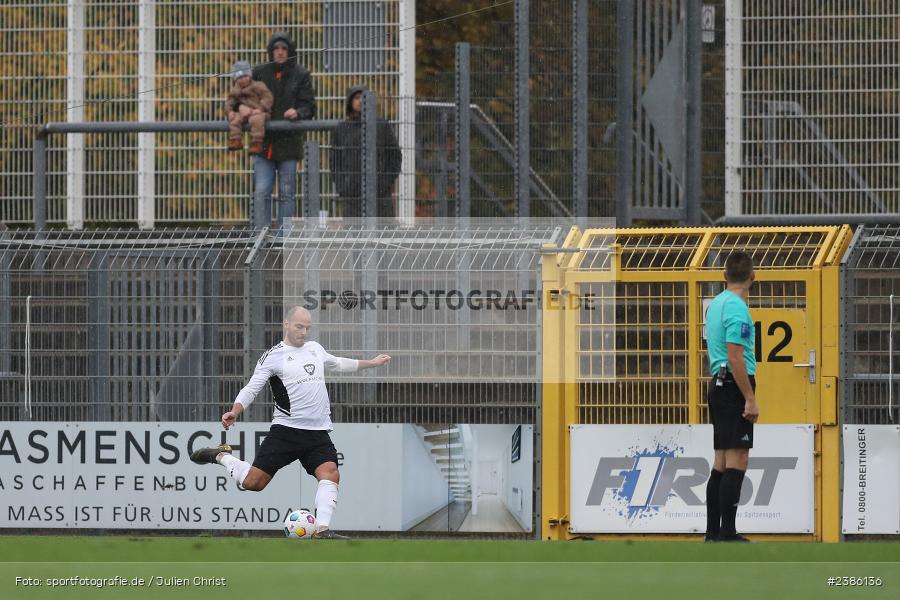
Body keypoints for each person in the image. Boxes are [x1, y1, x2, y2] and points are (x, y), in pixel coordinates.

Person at [190, 306, 391, 539]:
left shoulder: (315, 349)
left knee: (330, 473)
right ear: (286, 324)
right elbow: (252, 388)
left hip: (317, 433)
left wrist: (372, 363)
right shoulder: (273, 356)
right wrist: (236, 410)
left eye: (307, 327)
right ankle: (221, 456)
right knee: (254, 483)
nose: (304, 332)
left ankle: (323, 530)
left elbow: (338, 363)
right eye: (299, 326)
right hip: (286, 431)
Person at [704, 251, 760, 542]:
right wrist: (749, 397)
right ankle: (727, 533)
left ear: (725, 276)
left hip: (718, 382)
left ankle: (713, 533)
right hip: (734, 385)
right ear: (753, 276)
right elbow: (736, 356)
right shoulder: (738, 308)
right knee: (738, 460)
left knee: (721, 462)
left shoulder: (715, 304)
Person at [251, 32, 316, 229]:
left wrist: (298, 112)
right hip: (264, 144)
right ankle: (259, 238)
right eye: (276, 48)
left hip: (289, 145)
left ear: (290, 51)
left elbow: (309, 106)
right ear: (271, 51)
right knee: (261, 191)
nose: (280, 52)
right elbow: (247, 99)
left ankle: (283, 239)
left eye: (284, 49)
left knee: (287, 192)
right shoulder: (259, 73)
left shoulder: (301, 74)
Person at [330, 86, 402, 219]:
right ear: (350, 102)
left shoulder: (381, 125)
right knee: (355, 235)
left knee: (384, 235)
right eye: (356, 97)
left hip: (379, 194)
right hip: (352, 195)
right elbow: (335, 161)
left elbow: (395, 157)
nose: (360, 101)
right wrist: (343, 186)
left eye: (364, 97)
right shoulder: (342, 128)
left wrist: (383, 183)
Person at [225, 61, 273, 155]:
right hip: (243, 113)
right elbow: (230, 102)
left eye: (245, 76)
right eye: (239, 78)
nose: (242, 80)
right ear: (235, 79)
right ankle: (235, 140)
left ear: (250, 76)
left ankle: (256, 142)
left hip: (259, 112)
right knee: (234, 120)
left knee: (256, 120)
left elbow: (267, 97)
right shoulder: (235, 90)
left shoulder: (258, 85)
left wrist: (261, 108)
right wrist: (229, 112)